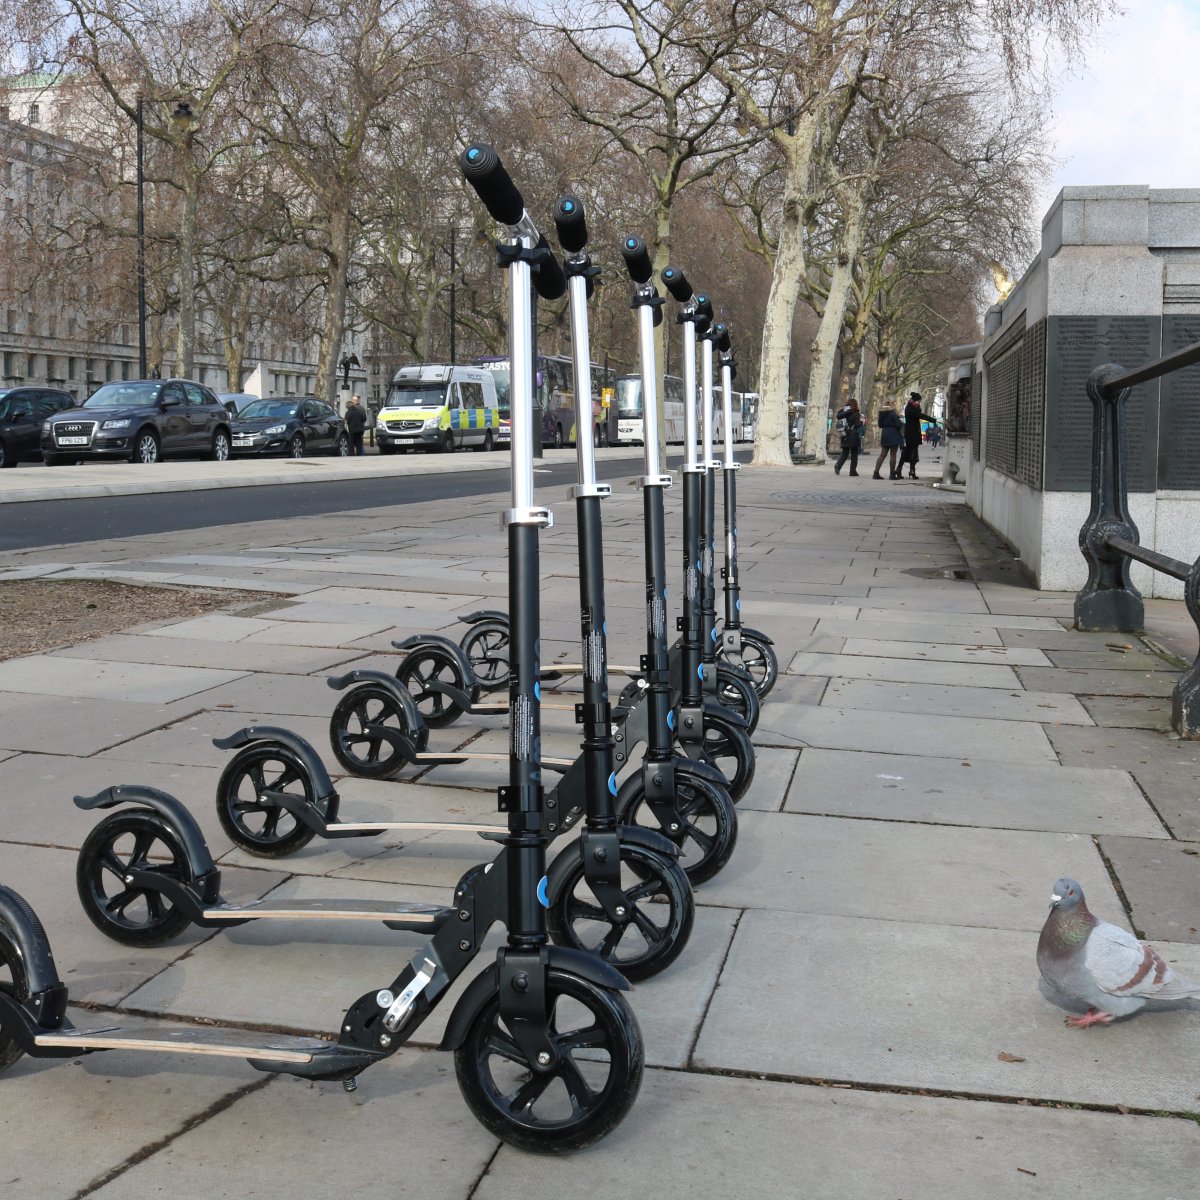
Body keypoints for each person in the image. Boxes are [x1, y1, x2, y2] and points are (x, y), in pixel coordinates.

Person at [872, 400, 904, 479]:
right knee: (893, 455)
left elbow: (880, 425)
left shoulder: (881, 413)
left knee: (882, 454)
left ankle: (876, 473)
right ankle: (892, 474)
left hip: (885, 433)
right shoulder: (893, 413)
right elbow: (898, 424)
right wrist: (901, 423)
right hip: (893, 434)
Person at [832, 399, 864, 477]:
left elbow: (839, 418)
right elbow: (857, 425)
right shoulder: (856, 413)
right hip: (853, 435)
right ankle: (852, 471)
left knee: (845, 453)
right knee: (854, 454)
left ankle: (838, 465)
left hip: (844, 434)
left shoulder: (842, 412)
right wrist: (862, 422)